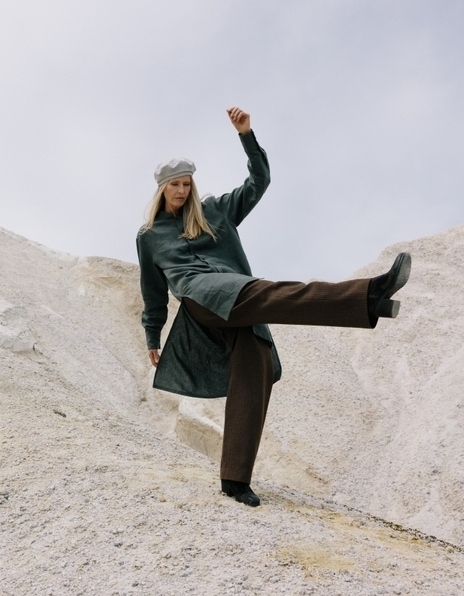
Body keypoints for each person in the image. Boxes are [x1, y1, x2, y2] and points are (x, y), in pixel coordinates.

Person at [136, 106, 411, 507]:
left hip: (238, 299)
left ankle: (234, 480)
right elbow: (153, 292)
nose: (181, 190)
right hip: (203, 299)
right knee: (270, 292)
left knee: (256, 368)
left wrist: (246, 136)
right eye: (174, 185)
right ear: (161, 188)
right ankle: (369, 295)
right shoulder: (149, 236)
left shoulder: (215, 211)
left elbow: (259, 181)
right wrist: (151, 335)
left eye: (186, 184)